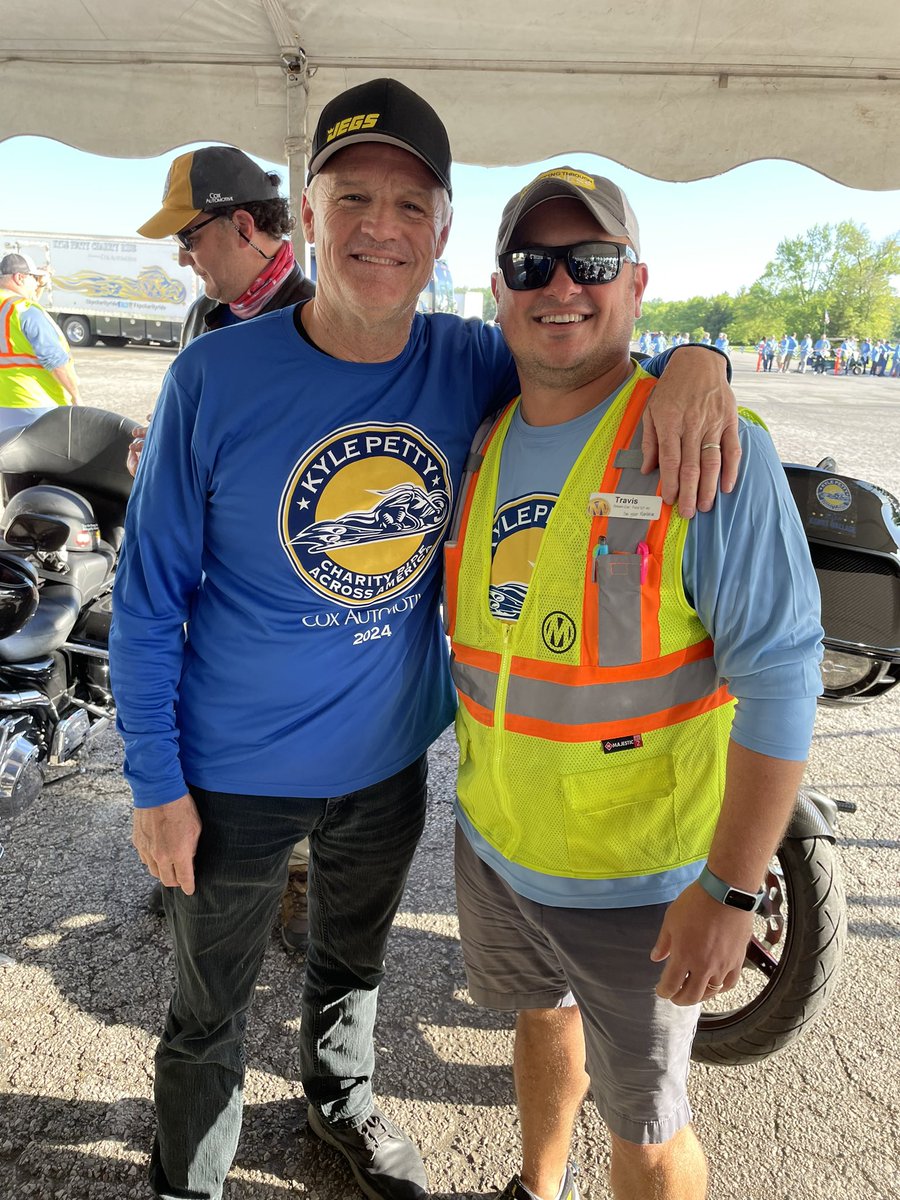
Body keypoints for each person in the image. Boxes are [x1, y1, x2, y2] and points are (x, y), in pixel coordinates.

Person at [109, 78, 738, 1200]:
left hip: (388, 771)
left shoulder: (467, 363)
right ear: (306, 214)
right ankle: (186, 1176)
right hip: (232, 776)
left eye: (411, 206)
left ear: (445, 232)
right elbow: (150, 596)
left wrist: (704, 362)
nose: (380, 229)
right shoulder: (213, 376)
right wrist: (155, 779)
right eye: (354, 197)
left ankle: (338, 1108)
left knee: (350, 971)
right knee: (209, 1009)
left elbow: (591, 347)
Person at [443, 168, 823, 1200]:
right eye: (533, 263)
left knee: (650, 1125)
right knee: (540, 1019)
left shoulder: (700, 445)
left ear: (637, 281)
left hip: (643, 881)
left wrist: (733, 887)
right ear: (498, 288)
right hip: (498, 841)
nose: (560, 284)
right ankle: (536, 1185)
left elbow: (783, 678)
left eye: (592, 262)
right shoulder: (483, 433)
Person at [128, 144, 316, 951]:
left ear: (244, 226)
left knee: (300, 754)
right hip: (214, 584)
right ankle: (188, 864)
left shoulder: (317, 314)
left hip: (293, 601)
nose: (183, 256)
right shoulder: (207, 317)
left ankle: (297, 889)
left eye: (191, 237)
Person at [0, 251, 81, 432]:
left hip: (4, 405)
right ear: (20, 277)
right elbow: (54, 360)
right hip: (37, 403)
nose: (36, 282)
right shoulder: (25, 310)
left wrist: (39, 286)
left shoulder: (12, 307)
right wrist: (76, 396)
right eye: (33, 277)